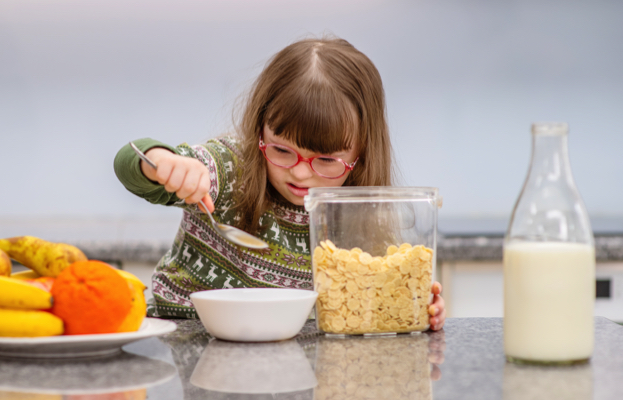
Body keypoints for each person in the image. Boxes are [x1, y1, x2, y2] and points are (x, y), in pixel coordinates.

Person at [114, 36, 447, 330]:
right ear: (260, 129)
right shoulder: (231, 169)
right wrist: (164, 164)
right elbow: (130, 165)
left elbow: (368, 308)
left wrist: (414, 307)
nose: (300, 173)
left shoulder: (358, 215)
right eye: (282, 150)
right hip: (185, 338)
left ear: (361, 152)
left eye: (327, 159)